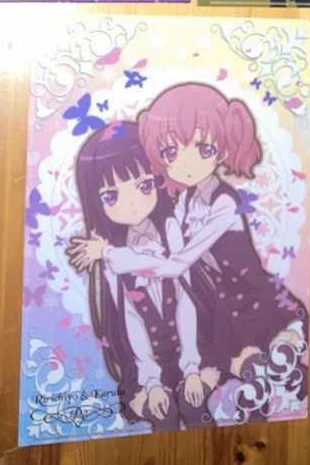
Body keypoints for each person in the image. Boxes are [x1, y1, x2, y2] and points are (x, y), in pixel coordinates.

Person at [69, 83, 308, 421]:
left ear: (223, 148)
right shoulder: (183, 202)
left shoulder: (224, 204)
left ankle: (284, 372)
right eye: (170, 152)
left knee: (266, 357)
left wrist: (109, 254)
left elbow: (175, 265)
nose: (186, 163)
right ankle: (269, 383)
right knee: (244, 367)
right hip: (217, 307)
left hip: (247, 299)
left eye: (203, 148)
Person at [72, 121, 218, 432]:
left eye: (144, 186)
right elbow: (130, 319)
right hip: (144, 361)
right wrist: (151, 380)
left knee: (193, 404)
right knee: (161, 413)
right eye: (111, 196)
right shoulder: (112, 255)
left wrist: (191, 366)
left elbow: (185, 300)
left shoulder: (169, 230)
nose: (132, 203)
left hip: (189, 346)